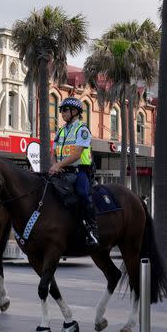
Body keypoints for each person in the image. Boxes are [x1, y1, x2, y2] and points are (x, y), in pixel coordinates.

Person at [48, 97, 100, 249]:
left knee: (83, 194)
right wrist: (55, 165)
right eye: (61, 110)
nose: (62, 113)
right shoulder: (61, 131)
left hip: (80, 172)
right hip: (62, 171)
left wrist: (58, 165)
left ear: (75, 111)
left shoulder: (82, 130)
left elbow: (77, 154)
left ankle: (92, 230)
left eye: (65, 110)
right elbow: (54, 154)